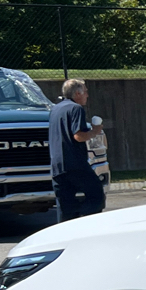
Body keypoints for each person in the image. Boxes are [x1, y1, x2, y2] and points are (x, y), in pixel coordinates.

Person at [48, 78, 106, 221]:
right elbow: (78, 136)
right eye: (86, 92)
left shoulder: (55, 109)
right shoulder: (76, 109)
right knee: (96, 194)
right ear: (78, 93)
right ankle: (85, 222)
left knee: (65, 205)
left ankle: (64, 233)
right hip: (75, 164)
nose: (87, 95)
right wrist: (95, 131)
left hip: (57, 165)